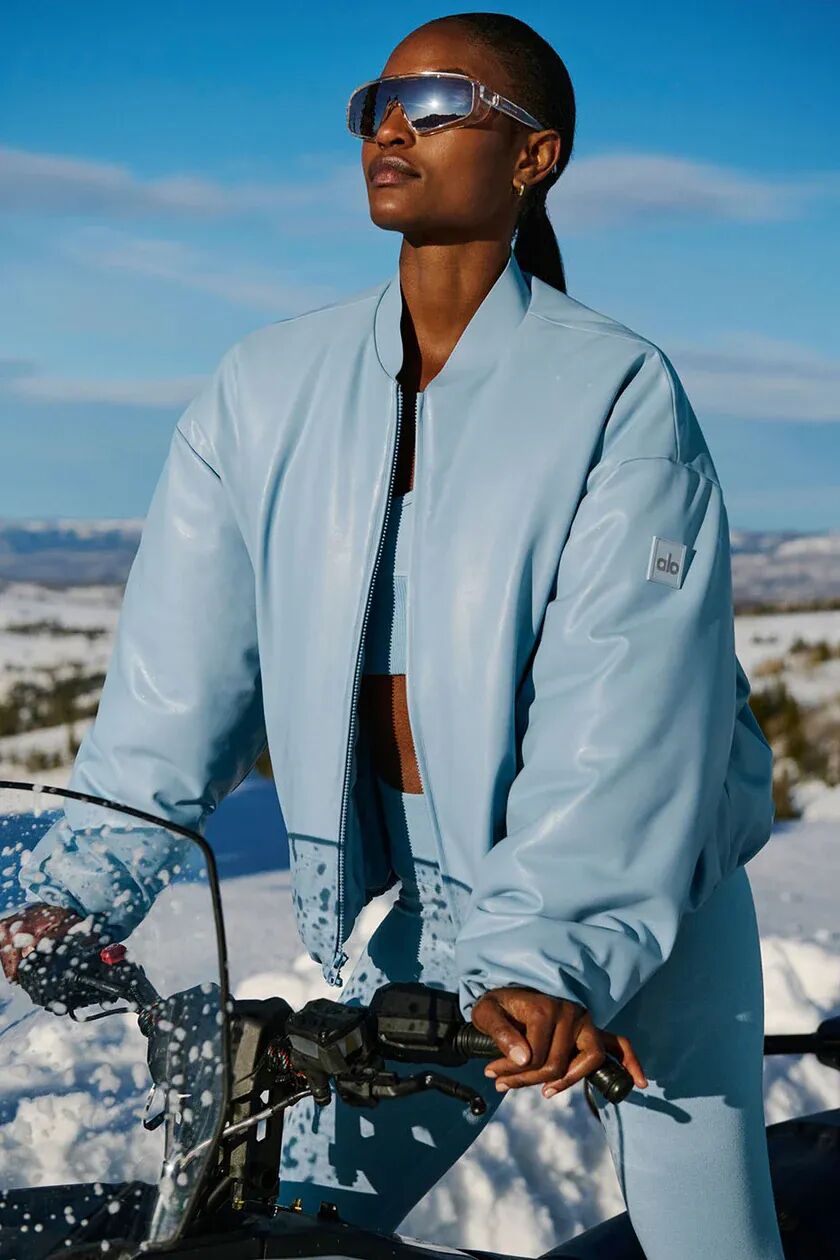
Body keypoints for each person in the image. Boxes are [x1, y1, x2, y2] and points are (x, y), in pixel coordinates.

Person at [0, 12, 783, 1259]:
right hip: (423, 908)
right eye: (377, 103)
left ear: (535, 156)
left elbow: (630, 716)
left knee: (711, 1236)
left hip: (638, 888)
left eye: (437, 101)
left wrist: (548, 959)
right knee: (294, 1224)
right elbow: (175, 694)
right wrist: (74, 891)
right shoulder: (262, 389)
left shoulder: (617, 395)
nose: (391, 127)